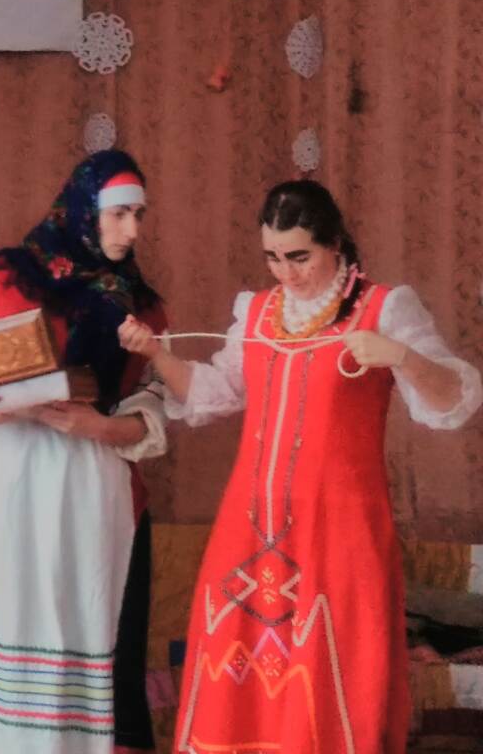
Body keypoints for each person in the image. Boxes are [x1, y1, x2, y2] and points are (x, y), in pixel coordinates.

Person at [119, 179, 482, 754]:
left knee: (334, 668)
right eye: (273, 257)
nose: (285, 272)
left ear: (334, 243)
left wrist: (401, 356)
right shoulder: (257, 311)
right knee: (238, 671)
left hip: (341, 532)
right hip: (249, 531)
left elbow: (453, 402)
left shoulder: (384, 307)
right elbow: (213, 393)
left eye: (299, 256)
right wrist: (155, 355)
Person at [0, 150, 168, 754]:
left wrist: (97, 426)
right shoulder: (5, 278)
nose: (132, 230)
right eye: (120, 214)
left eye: (139, 215)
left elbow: (153, 407)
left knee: (82, 622)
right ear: (84, 210)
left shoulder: (142, 307)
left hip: (90, 498)